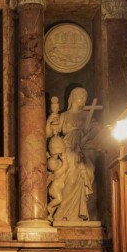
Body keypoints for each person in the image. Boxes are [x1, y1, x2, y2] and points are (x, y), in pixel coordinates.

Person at [46, 87, 102, 222]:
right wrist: (50, 121)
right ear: (72, 98)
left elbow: (97, 129)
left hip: (84, 151)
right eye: (80, 96)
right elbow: (49, 134)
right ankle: (63, 213)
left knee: (85, 175)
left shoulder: (87, 116)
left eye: (85, 97)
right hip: (68, 150)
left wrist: (85, 137)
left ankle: (78, 213)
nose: (83, 100)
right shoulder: (64, 116)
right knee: (70, 180)